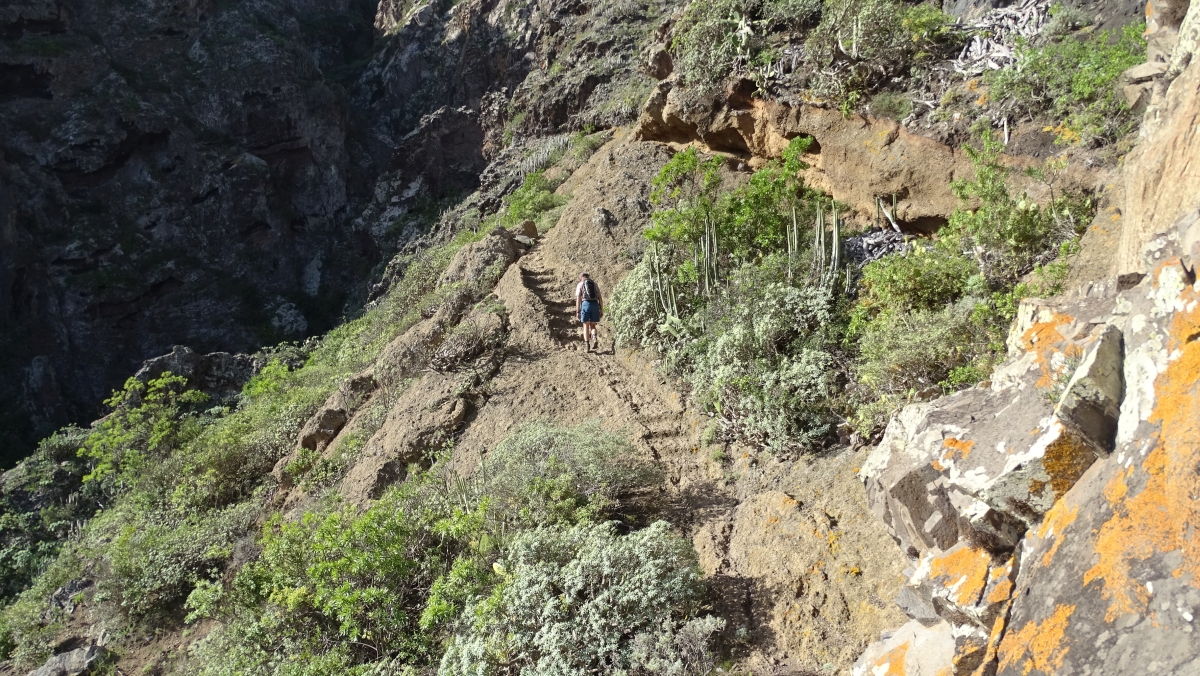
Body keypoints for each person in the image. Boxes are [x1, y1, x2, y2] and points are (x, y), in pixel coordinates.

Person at [575, 272, 603, 352]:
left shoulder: (580, 284)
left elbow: (578, 299)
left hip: (585, 305)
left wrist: (577, 311)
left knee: (585, 325)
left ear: (581, 278)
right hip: (595, 304)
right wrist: (601, 309)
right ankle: (594, 337)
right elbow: (600, 297)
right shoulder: (594, 284)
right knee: (593, 325)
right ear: (588, 277)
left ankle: (587, 345)